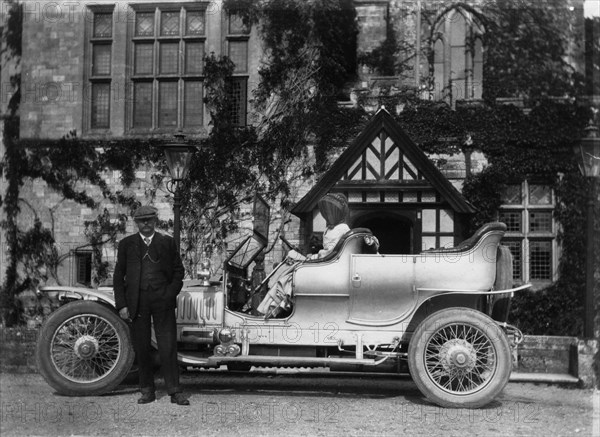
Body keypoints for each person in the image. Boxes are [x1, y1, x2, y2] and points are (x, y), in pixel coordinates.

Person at [113, 205, 189, 406]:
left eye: (149, 219)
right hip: (137, 303)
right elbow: (118, 276)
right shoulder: (126, 244)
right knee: (142, 347)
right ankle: (147, 391)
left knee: (168, 346)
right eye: (141, 220)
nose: (145, 223)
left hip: (162, 301)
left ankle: (174, 391)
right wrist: (122, 304)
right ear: (136, 223)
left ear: (155, 220)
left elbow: (178, 272)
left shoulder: (167, 243)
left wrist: (169, 293)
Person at [257, 193, 351, 316]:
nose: (327, 215)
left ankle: (277, 309)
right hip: (325, 262)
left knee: (288, 276)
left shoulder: (342, 229)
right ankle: (271, 308)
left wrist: (312, 258)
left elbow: (332, 253)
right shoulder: (331, 228)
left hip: (329, 265)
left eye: (330, 211)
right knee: (287, 269)